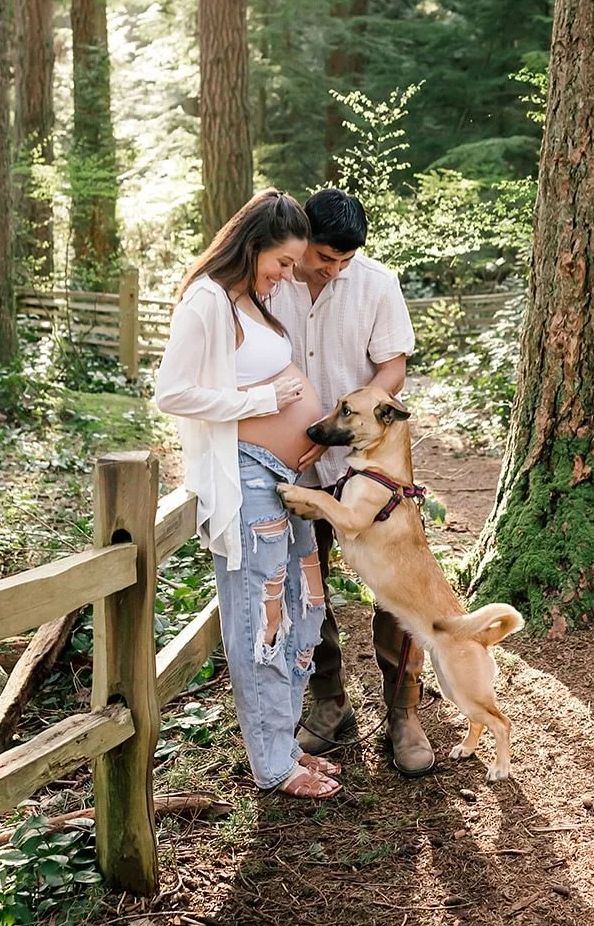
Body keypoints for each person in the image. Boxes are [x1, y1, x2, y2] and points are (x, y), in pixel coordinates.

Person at [154, 189, 341, 799]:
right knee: (262, 616)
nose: (288, 274)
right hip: (246, 476)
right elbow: (171, 392)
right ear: (253, 244)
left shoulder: (253, 300)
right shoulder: (205, 301)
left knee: (305, 605)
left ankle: (285, 742)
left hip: (288, 480)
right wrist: (262, 401)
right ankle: (273, 765)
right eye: (282, 262)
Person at [271, 188, 433, 777]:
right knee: (305, 582)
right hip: (293, 459)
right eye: (324, 258)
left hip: (369, 464)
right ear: (302, 239)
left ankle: (404, 711)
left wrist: (347, 422)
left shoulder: (377, 283)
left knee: (399, 585)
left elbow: (393, 367)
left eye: (344, 261)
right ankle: (330, 700)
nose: (333, 270)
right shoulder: (273, 278)